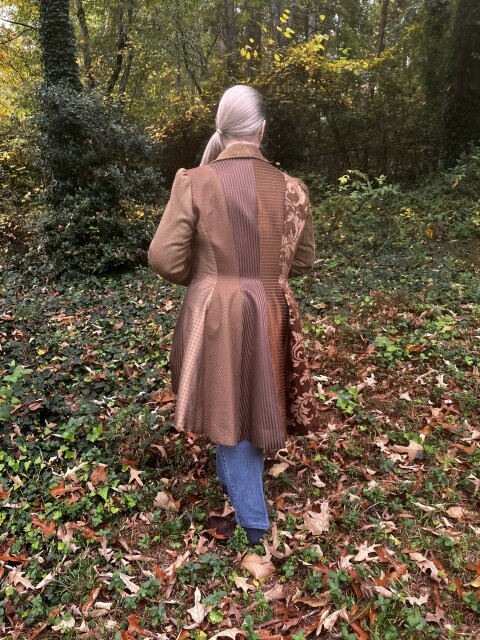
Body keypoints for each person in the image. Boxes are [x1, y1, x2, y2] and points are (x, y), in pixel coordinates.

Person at [148, 85, 319, 544]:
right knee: (253, 397)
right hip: (272, 308)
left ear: (223, 129)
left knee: (231, 404)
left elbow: (164, 257)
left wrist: (207, 278)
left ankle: (255, 526)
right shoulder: (293, 190)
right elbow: (302, 261)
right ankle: (237, 485)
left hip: (217, 311)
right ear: (262, 130)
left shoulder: (196, 181)